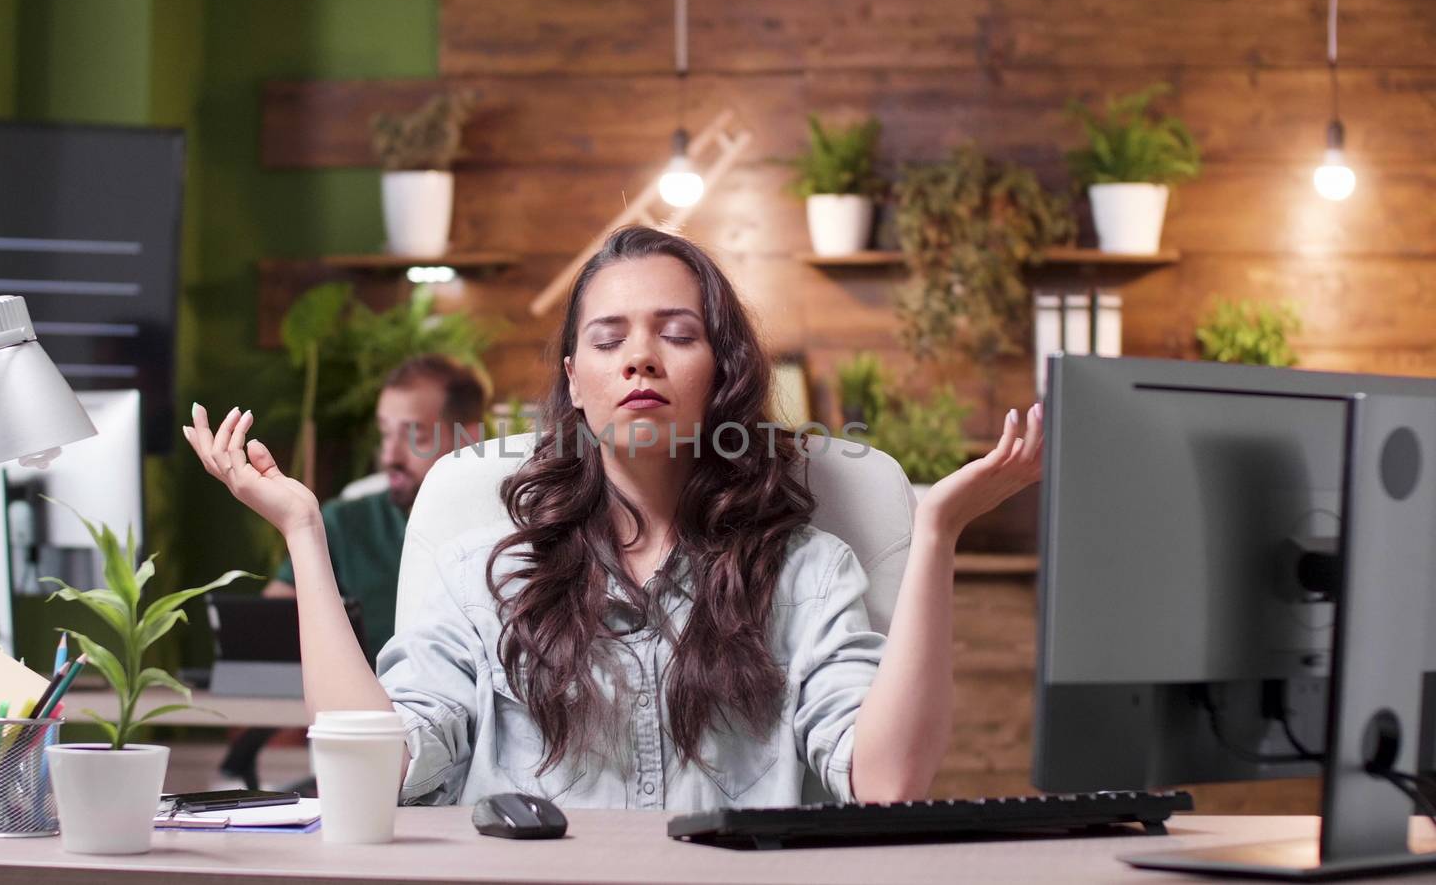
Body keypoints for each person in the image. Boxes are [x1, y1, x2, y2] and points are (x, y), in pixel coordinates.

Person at [186, 225, 1042, 810]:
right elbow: (376, 774)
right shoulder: (488, 573)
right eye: (608, 340)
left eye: (677, 333)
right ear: (575, 380)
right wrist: (304, 531)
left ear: (723, 373)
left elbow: (886, 782)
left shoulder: (805, 571)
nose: (639, 356)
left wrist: (938, 534)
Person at [214, 353, 487, 790]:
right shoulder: (343, 521)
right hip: (374, 742)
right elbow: (268, 630)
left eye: (413, 433)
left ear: (467, 438)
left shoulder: (504, 530)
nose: (390, 455)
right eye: (384, 434)